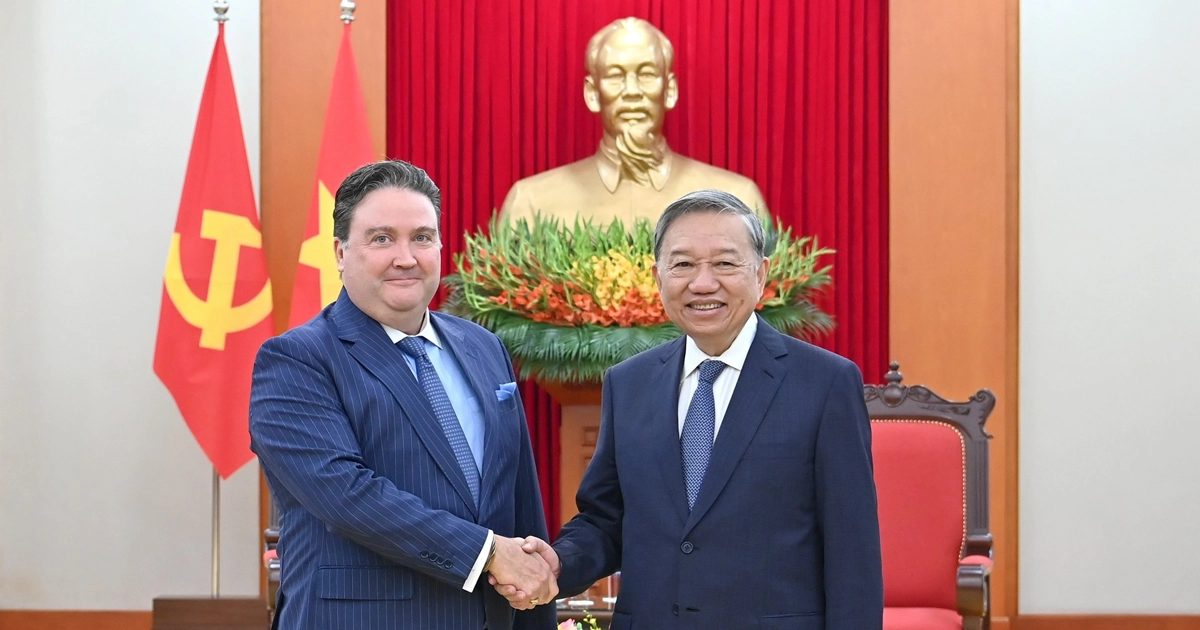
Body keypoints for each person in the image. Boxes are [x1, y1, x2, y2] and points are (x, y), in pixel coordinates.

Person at [495, 190, 884, 628]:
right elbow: (607, 520)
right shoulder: (629, 383)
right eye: (683, 264)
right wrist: (559, 563)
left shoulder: (825, 383)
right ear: (658, 277)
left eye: (724, 263)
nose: (702, 283)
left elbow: (852, 551)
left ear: (761, 274)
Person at [250, 160, 558, 630]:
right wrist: (488, 554)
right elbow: (347, 496)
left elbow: (518, 498)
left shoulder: (483, 346)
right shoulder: (296, 360)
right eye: (381, 238)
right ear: (340, 251)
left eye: (421, 237)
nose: (406, 257)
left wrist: (534, 597)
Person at [498, 18, 768, 228]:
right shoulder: (531, 204)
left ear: (670, 89)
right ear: (592, 94)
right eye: (615, 76)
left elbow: (769, 295)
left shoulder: (737, 199)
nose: (632, 91)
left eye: (647, 74)